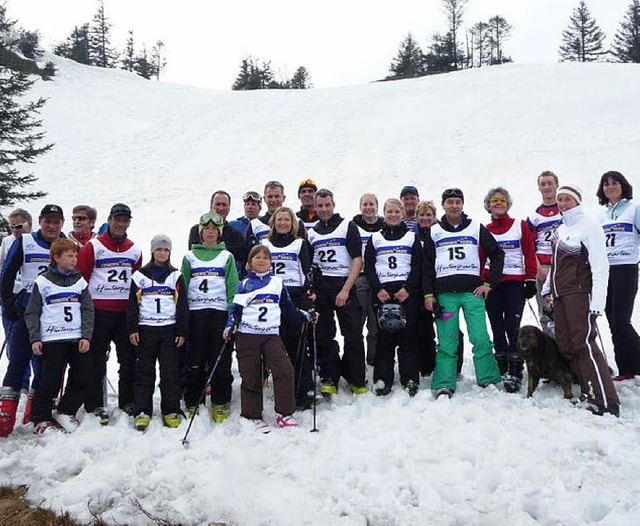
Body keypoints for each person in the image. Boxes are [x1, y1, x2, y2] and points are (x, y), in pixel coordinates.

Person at [542, 184, 619, 416]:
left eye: (567, 199)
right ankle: (588, 391)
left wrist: (597, 302)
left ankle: (605, 400)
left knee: (584, 343)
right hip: (560, 294)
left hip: (579, 294)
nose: (563, 203)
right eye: (560, 199)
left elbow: (600, 267)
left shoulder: (589, 226)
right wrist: (547, 289)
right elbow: (555, 266)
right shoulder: (560, 229)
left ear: (577, 201)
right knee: (566, 345)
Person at [423, 188, 503, 398]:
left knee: (481, 338)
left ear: (463, 204)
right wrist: (428, 294)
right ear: (443, 206)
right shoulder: (434, 231)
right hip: (445, 296)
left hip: (472, 294)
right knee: (448, 341)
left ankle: (488, 378)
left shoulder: (475, 227)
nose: (454, 206)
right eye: (450, 202)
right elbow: (426, 266)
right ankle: (444, 382)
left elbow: (497, 254)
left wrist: (488, 283)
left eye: (458, 202)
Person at [225, 245, 312, 432]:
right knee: (251, 375)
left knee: (285, 370)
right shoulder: (244, 284)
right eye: (257, 257)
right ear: (249, 263)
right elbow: (235, 310)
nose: (262, 260)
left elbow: (288, 308)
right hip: (248, 335)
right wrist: (230, 325)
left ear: (270, 262)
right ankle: (252, 415)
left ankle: (285, 412)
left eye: (265, 257)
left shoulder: (277, 283)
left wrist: (304, 315)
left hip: (271, 334)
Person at [0, 204, 65, 437]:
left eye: (56, 222)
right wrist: (7, 303)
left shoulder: (65, 243)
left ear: (62, 224)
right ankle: (6, 414)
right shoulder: (25, 241)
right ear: (40, 221)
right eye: (48, 221)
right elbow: (7, 272)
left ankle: (35, 411)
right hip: (26, 309)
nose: (52, 226)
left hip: (53, 314)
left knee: (47, 366)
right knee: (18, 359)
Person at [77, 203, 142, 424]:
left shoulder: (135, 250)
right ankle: (95, 404)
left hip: (124, 313)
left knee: (128, 359)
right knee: (96, 360)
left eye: (125, 220)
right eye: (117, 219)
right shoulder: (93, 247)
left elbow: (137, 283)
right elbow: (82, 278)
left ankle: (127, 401)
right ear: (110, 220)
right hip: (99, 311)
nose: (120, 224)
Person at [24, 239, 94, 435]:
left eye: (75, 256)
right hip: (52, 338)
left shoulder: (80, 281)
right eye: (69, 256)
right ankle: (41, 418)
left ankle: (66, 410)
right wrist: (35, 337)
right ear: (56, 258)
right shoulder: (43, 281)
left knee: (85, 373)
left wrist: (86, 335)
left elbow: (88, 309)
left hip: (75, 336)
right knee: (49, 379)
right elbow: (32, 312)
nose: (74, 260)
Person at [308, 188, 367, 396]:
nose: (324, 209)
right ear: (315, 207)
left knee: (352, 334)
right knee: (324, 334)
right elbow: (310, 263)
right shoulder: (312, 232)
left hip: (344, 285)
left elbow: (357, 260)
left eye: (327, 205)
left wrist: (346, 289)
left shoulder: (347, 226)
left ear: (333, 205)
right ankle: (329, 375)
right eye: (320, 206)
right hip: (322, 288)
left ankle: (355, 376)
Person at [127, 235, 188, 431]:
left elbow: (182, 306)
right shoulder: (140, 276)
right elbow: (132, 306)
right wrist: (132, 328)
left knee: (170, 372)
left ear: (170, 253)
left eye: (166, 250)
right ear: (153, 251)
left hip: (169, 330)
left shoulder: (175, 276)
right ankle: (142, 410)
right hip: (146, 329)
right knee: (145, 372)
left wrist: (181, 330)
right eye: (159, 249)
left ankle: (171, 409)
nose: (162, 253)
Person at [181, 212, 238, 422]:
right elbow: (184, 288)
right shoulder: (189, 257)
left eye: (214, 229)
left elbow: (233, 288)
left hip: (219, 313)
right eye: (207, 229)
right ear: (201, 232)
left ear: (220, 233)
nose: (211, 232)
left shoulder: (227, 256)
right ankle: (193, 399)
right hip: (196, 314)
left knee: (220, 359)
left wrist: (232, 318)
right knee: (195, 359)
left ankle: (220, 402)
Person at [364, 198, 422, 396]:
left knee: (408, 337)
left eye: (397, 211)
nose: (393, 215)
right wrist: (377, 288)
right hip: (382, 292)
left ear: (402, 213)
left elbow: (417, 266)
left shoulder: (411, 237)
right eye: (389, 212)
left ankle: (410, 377)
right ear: (384, 213)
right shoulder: (375, 238)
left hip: (406, 292)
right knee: (384, 337)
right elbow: (369, 266)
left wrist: (408, 288)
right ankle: (382, 379)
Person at [482, 187, 537, 393]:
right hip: (493, 284)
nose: (498, 204)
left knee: (512, 326)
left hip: (514, 281)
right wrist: (481, 281)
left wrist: (530, 278)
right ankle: (501, 364)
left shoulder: (519, 225)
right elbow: (480, 257)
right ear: (488, 205)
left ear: (507, 204)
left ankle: (515, 368)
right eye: (494, 201)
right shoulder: (485, 229)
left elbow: (529, 253)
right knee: (496, 325)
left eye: (502, 201)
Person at [261, 207, 315, 409]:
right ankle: (283, 391)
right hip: (272, 298)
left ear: (293, 223)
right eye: (279, 219)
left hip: (295, 297)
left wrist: (309, 294)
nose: (283, 223)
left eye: (287, 220)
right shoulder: (264, 244)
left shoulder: (300, 243)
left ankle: (304, 390)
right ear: (273, 222)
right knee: (277, 349)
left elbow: (308, 270)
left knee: (298, 346)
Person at [596, 171, 640, 381]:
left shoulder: (634, 210)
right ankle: (627, 369)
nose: (610, 187)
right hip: (607, 271)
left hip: (626, 268)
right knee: (613, 322)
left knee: (622, 320)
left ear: (623, 185)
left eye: (614, 183)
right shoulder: (601, 215)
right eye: (606, 184)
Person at [416, 201, 464, 377]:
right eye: (421, 215)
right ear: (416, 218)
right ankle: (427, 367)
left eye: (429, 215)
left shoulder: (441, 233)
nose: (425, 218)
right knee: (424, 329)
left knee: (450, 328)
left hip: (441, 286)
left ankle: (455, 368)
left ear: (434, 216)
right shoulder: (412, 237)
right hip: (420, 288)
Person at [0, 208, 33, 392]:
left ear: (29, 224)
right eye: (11, 226)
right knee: (14, 345)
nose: (15, 230)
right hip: (12, 298)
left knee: (35, 347)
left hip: (30, 298)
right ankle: (21, 387)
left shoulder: (36, 242)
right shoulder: (7, 241)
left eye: (19, 226)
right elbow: (3, 269)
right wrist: (4, 298)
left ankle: (36, 391)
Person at [527, 170, 562, 335]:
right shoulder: (534, 216)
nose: (547, 187)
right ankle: (550, 351)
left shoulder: (566, 210)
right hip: (544, 267)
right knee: (546, 311)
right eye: (543, 184)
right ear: (539, 188)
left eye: (550, 183)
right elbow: (529, 246)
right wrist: (538, 268)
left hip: (564, 265)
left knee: (566, 310)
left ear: (556, 185)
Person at [352, 193, 384, 366]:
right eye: (365, 204)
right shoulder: (353, 225)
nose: (368, 207)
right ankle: (356, 359)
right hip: (361, 276)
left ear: (377, 206)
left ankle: (373, 358)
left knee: (375, 322)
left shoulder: (384, 225)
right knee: (358, 320)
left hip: (379, 279)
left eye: (371, 204)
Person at [187, 190, 247, 267]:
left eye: (224, 205)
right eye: (218, 204)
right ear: (211, 206)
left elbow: (241, 256)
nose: (221, 208)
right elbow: (194, 255)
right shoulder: (196, 230)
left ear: (229, 208)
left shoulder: (235, 234)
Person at [246, 181, 305, 246]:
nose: (273, 200)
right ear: (264, 199)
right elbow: (248, 252)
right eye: (270, 197)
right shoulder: (254, 224)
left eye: (277, 196)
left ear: (284, 198)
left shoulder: (297, 222)